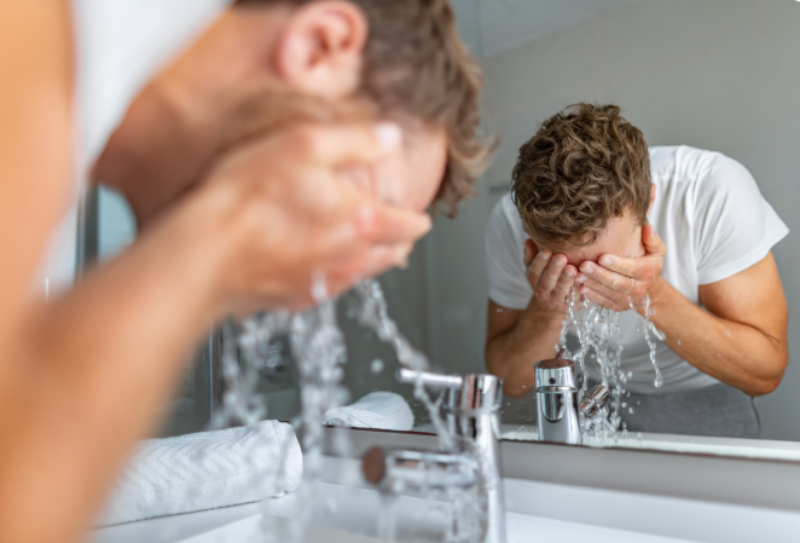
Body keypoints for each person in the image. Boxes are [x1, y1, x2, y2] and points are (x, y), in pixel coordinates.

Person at [0, 2, 488, 543]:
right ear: (320, 46)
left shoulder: (65, 123)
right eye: (359, 209)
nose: (317, 284)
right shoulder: (29, 43)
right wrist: (212, 242)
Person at [485, 103, 788, 438]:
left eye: (608, 265)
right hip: (590, 395)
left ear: (648, 203)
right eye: (567, 268)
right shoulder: (510, 221)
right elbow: (511, 382)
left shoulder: (710, 190)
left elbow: (765, 374)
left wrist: (651, 295)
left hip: (709, 390)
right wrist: (549, 307)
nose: (589, 283)